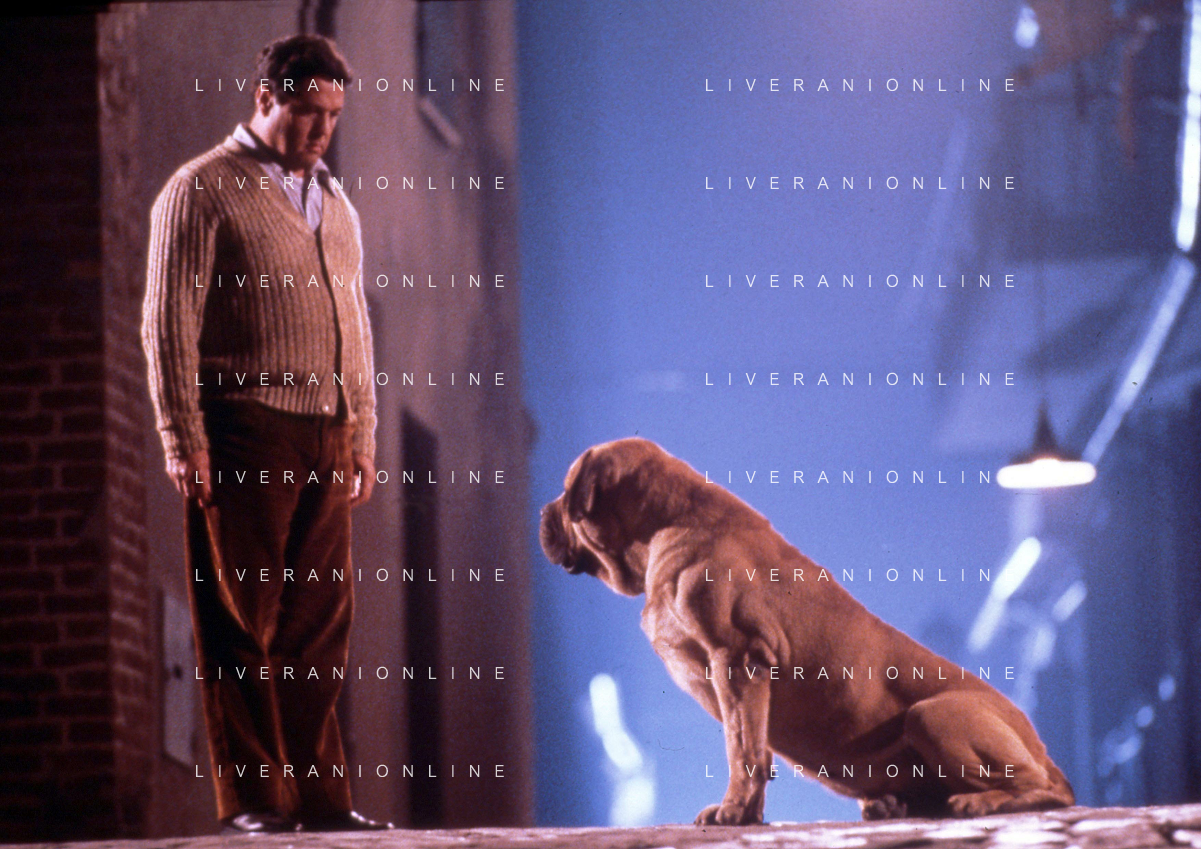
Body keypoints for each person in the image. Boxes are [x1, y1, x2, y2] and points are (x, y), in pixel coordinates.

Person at [142, 34, 389, 834]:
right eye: (307, 111)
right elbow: (167, 322)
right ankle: (254, 799)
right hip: (244, 423)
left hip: (327, 431)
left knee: (319, 624)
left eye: (333, 116)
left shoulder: (336, 204)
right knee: (240, 617)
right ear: (265, 98)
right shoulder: (202, 189)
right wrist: (182, 434)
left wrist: (362, 431)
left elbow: (355, 324)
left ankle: (320, 799)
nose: (321, 130)